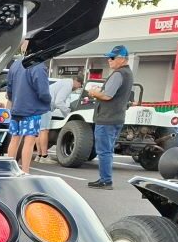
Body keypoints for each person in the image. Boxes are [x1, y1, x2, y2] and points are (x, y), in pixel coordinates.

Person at [86, 46, 133, 189]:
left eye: (112, 58)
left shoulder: (119, 74)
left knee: (104, 151)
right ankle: (105, 179)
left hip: (107, 119)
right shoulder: (127, 73)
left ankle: (106, 180)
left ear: (121, 59)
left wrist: (94, 92)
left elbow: (107, 95)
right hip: (116, 117)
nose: (109, 60)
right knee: (107, 150)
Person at [4, 41, 51, 175]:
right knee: (29, 141)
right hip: (32, 109)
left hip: (17, 108)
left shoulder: (16, 64)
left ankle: (9, 169)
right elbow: (43, 92)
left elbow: (9, 89)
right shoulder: (38, 66)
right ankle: (25, 171)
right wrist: (48, 102)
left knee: (15, 138)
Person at [42, 74, 82, 159]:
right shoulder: (68, 85)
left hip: (42, 105)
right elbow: (59, 102)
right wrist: (68, 114)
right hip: (46, 107)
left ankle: (39, 155)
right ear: (77, 81)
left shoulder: (64, 82)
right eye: (79, 85)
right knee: (44, 131)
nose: (78, 88)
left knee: (40, 131)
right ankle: (44, 156)